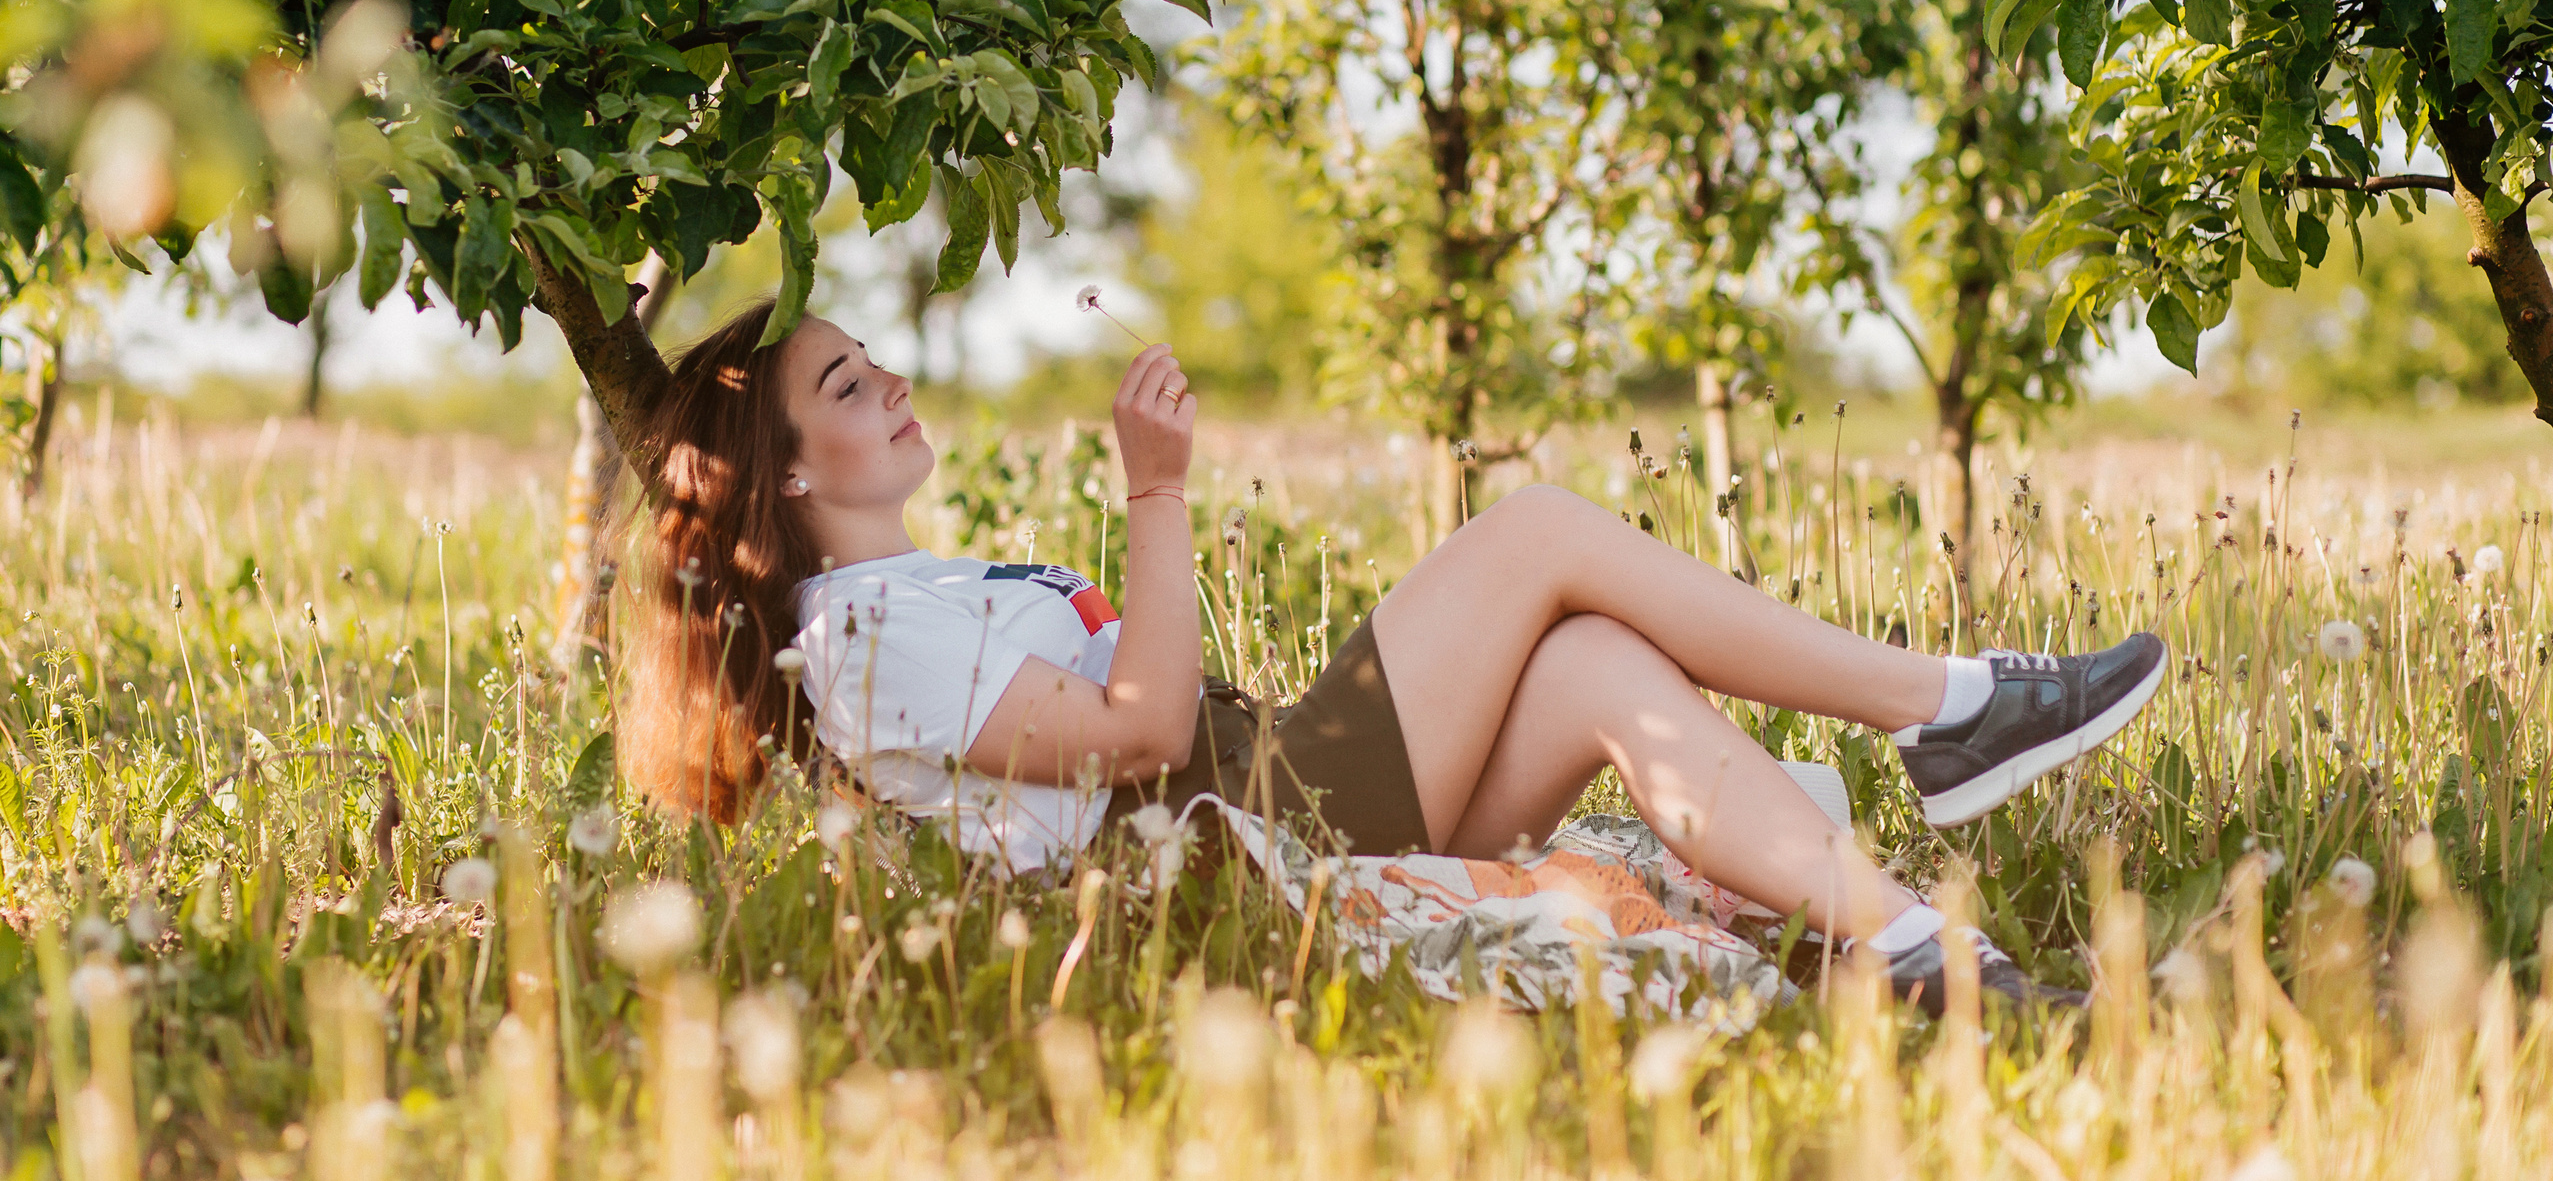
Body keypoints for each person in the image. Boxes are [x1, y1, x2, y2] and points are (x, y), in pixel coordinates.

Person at [621, 301, 2168, 1012]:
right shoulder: (867, 639)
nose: (887, 374)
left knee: (1595, 661)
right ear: (793, 476)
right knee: (1545, 530)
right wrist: (1156, 491)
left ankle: (1912, 954)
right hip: (1248, 832)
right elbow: (1150, 735)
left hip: (1269, 793)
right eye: (844, 377)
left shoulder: (916, 596)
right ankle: (1941, 706)